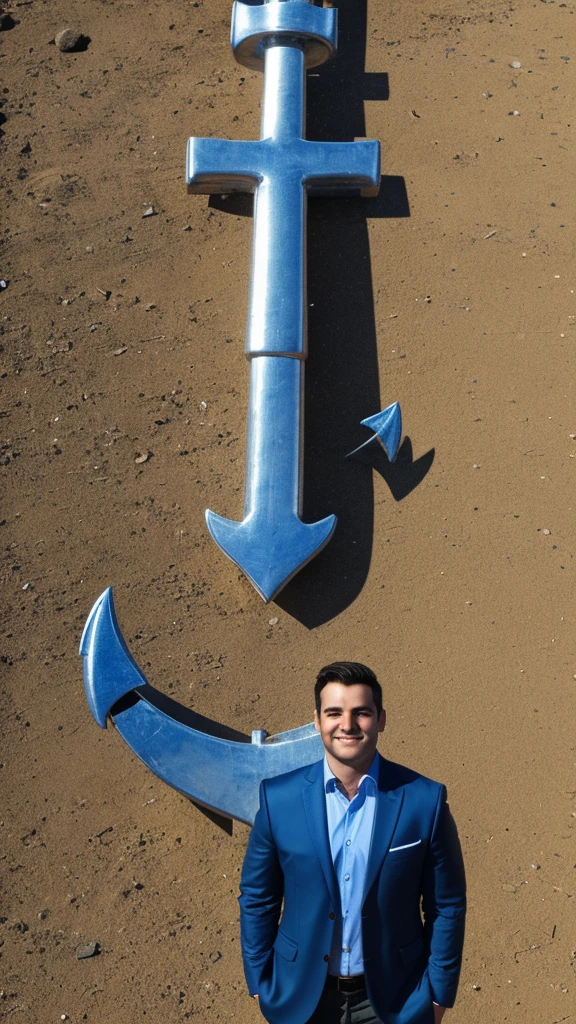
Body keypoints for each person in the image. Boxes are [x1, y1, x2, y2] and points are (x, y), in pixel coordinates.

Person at [239, 662, 466, 1024]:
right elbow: (257, 897)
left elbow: (447, 905)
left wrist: (438, 993)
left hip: (396, 1001)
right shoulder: (277, 799)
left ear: (381, 719)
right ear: (316, 721)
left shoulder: (425, 801)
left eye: (361, 712)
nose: (347, 725)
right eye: (334, 712)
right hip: (301, 1001)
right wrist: (259, 980)